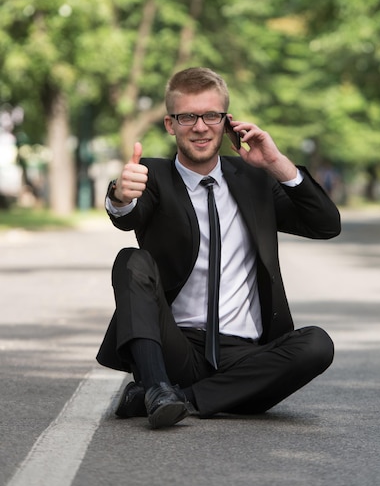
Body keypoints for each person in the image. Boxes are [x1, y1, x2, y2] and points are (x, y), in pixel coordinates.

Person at [97, 66, 341, 429]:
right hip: (175, 345)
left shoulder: (256, 179)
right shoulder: (153, 175)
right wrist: (120, 194)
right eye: (187, 116)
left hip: (246, 355)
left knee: (317, 344)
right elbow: (127, 215)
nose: (199, 126)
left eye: (211, 115)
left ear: (226, 121)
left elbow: (325, 224)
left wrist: (277, 163)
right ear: (170, 124)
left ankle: (170, 398)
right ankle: (160, 384)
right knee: (131, 260)